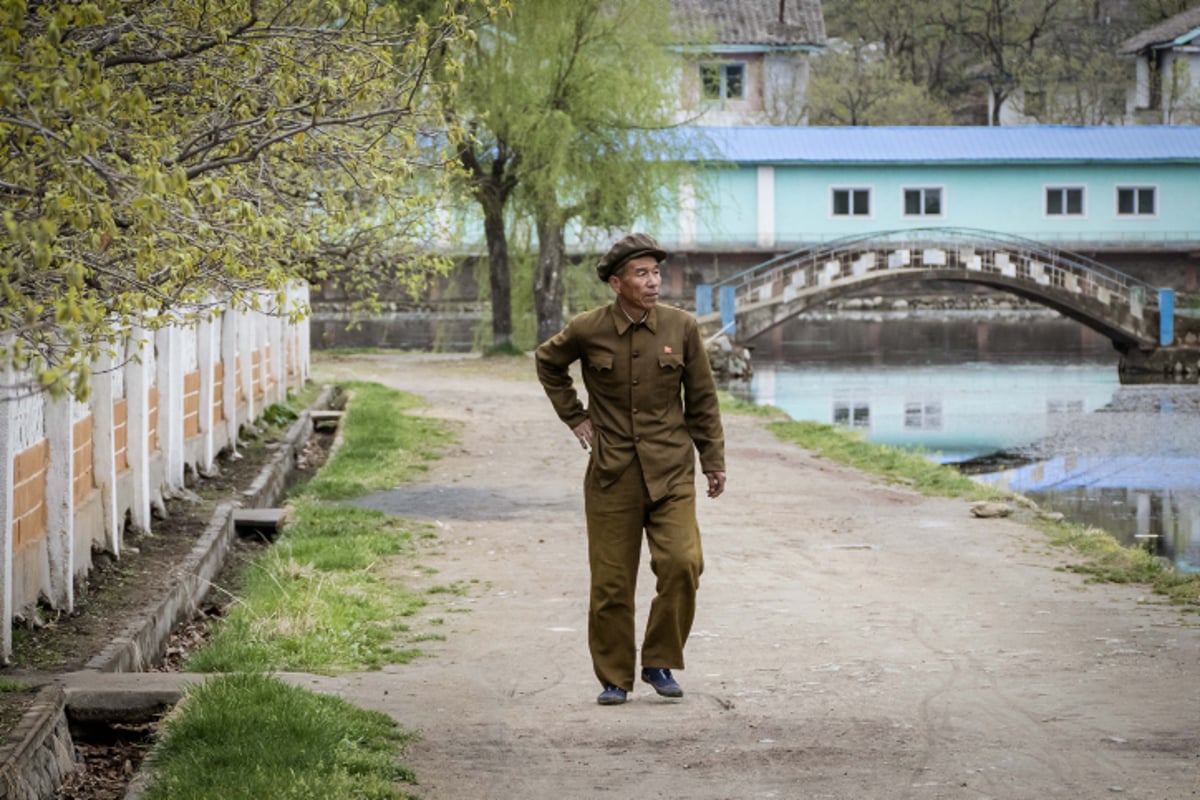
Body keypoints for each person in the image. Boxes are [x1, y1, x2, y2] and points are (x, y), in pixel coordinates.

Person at [535, 232, 726, 706]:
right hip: (612, 474)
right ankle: (614, 677)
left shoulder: (681, 328)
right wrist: (576, 416)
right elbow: (547, 362)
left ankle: (659, 660)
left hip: (671, 470)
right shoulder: (587, 328)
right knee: (611, 582)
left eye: (656, 272)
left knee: (683, 563)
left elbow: (702, 398)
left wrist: (713, 461)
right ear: (617, 283)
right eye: (642, 274)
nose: (653, 282)